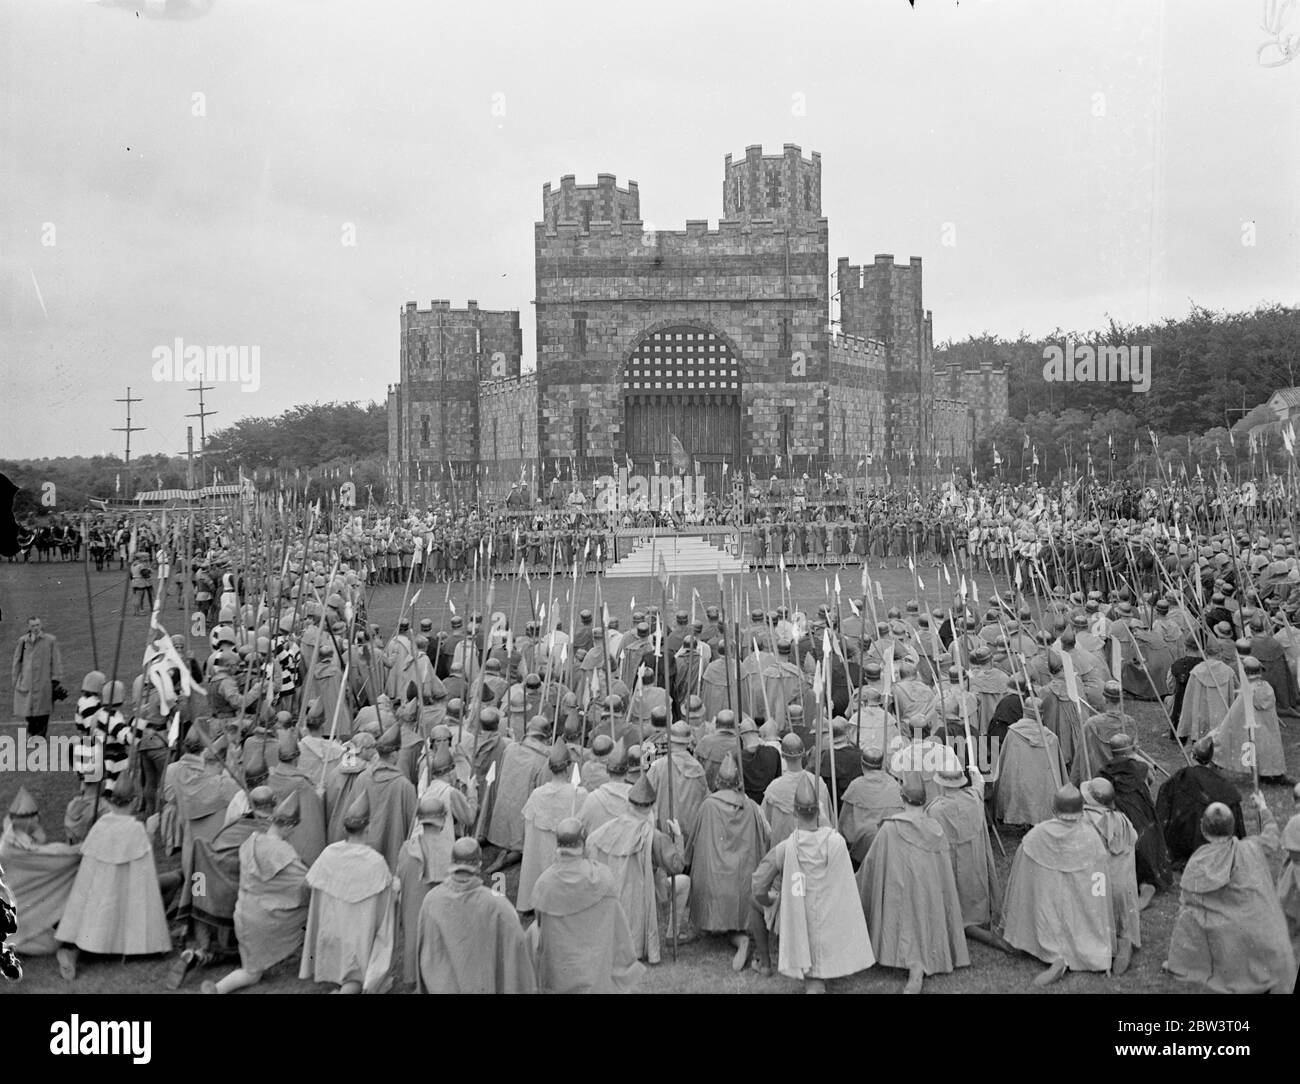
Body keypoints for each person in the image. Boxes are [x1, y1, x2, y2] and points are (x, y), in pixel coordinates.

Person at [749, 773, 874, 991]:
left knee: (754, 901)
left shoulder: (787, 847)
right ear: (819, 811)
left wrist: (769, 901)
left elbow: (758, 885)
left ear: (795, 813)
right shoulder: (837, 842)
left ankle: (765, 963)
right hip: (832, 921)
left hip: (800, 920)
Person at [1163, 795, 1297, 994]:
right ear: (1233, 826)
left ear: (1203, 828)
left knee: (1188, 916)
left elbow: (1189, 912)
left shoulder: (1198, 861)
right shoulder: (1253, 847)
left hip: (1229, 945)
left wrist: (1180, 959)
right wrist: (1263, 808)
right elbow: (1271, 836)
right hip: (1268, 940)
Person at [858, 774, 969, 993]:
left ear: (902, 797)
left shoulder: (890, 829)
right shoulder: (935, 829)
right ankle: (917, 964)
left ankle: (914, 966)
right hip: (926, 899)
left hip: (897, 898)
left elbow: (869, 870)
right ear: (925, 800)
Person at [55, 774, 171, 980]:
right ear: (134, 801)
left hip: (99, 904)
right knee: (166, 883)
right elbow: (145, 872)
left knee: (102, 907)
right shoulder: (136, 830)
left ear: (111, 800)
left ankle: (75, 950)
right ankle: (135, 943)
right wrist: (151, 831)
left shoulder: (100, 826)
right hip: (121, 898)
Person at [999, 784, 1114, 986]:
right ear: (1081, 810)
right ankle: (1073, 950)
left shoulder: (1035, 836)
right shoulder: (1091, 839)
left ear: (1054, 809)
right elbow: (1099, 890)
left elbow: (1022, 885)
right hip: (1078, 913)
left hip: (1046, 910)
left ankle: (1055, 954)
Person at [202, 791, 310, 994]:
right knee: (252, 974)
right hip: (262, 921)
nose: (294, 833)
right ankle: (216, 989)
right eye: (293, 828)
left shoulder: (250, 841)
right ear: (287, 825)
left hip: (243, 913)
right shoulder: (284, 855)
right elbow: (306, 886)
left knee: (251, 969)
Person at [300, 791, 399, 994]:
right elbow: (385, 907)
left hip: (331, 936)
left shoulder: (329, 853)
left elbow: (311, 885)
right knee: (356, 977)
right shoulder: (375, 862)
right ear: (368, 827)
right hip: (357, 942)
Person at [531, 818, 645, 993]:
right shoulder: (604, 877)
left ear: (557, 846)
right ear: (583, 844)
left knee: (532, 932)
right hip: (597, 972)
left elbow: (540, 925)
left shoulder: (544, 884)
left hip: (560, 976)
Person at [587, 774, 688, 963]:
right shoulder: (656, 837)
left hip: (611, 895)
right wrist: (678, 837)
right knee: (685, 882)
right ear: (651, 807)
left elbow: (590, 845)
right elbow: (677, 866)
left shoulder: (604, 830)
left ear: (629, 803)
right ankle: (673, 933)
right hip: (642, 897)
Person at [415, 838, 536, 994]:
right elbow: (517, 957)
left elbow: (426, 954)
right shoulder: (499, 905)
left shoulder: (431, 901)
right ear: (479, 864)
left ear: (451, 863)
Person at [686, 752, 771, 972]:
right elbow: (765, 836)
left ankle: (736, 937)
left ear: (717, 781)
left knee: (718, 916)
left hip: (715, 884)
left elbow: (693, 841)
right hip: (742, 884)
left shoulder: (708, 806)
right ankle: (739, 936)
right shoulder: (751, 806)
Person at [0, 786, 80, 956]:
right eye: (34, 817)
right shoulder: (12, 849)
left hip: (21, 910)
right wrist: (77, 851)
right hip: (12, 914)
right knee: (51, 944)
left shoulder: (15, 840)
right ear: (28, 820)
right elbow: (49, 857)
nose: (38, 819)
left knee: (51, 941)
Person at [925, 767, 1001, 933]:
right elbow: (978, 787)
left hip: (948, 859)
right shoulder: (974, 800)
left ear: (941, 783)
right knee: (972, 882)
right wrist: (976, 775)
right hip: (972, 858)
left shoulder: (935, 810)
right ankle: (975, 915)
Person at [1100, 733, 1172, 901]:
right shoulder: (1141, 767)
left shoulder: (1104, 771)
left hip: (1118, 814)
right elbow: (1150, 780)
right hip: (1140, 810)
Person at [1081, 778, 1142, 975]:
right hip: (1123, 889)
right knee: (1121, 922)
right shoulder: (1123, 820)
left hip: (1097, 888)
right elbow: (1133, 838)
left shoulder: (1084, 820)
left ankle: (1106, 945)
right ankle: (1122, 939)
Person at [518, 742, 587, 914]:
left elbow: (528, 828)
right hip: (558, 849)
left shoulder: (538, 794)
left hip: (544, 848)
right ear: (568, 767)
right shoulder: (579, 794)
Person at [1155, 736, 1244, 865]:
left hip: (1184, 842)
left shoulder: (1181, 778)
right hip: (1217, 842)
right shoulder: (1225, 787)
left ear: (1192, 755)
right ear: (1211, 759)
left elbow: (1163, 810)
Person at [837, 748, 904, 866]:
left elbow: (845, 826)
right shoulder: (895, 785)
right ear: (881, 765)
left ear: (862, 765)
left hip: (862, 852)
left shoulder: (856, 786)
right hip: (891, 849)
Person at [12, 616, 65, 738]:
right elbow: (17, 661)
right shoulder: (23, 641)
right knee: (28, 712)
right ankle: (32, 732)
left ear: (41, 625)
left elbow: (56, 661)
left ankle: (40, 736)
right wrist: (15, 681)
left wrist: (56, 679)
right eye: (33, 626)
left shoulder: (50, 640)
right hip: (27, 682)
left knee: (43, 712)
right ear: (28, 627)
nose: (35, 628)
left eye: (37, 625)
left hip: (44, 682)